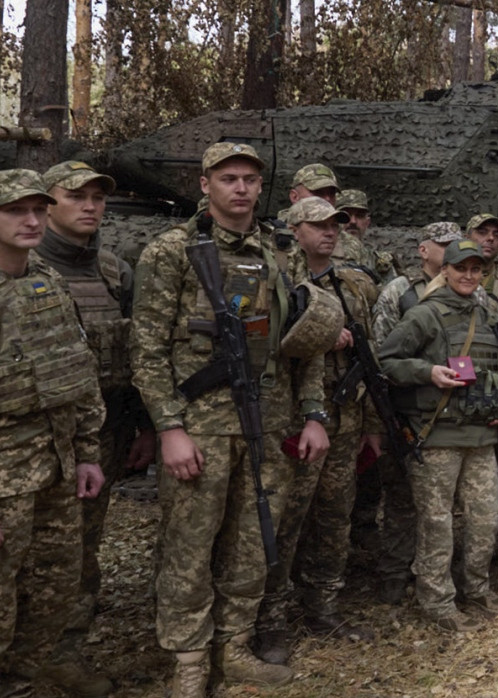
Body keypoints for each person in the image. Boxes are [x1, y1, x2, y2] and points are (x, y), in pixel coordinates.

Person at [131, 142, 328, 696]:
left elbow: (303, 344)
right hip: (200, 426)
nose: (240, 188)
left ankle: (235, 648)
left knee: (253, 541)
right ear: (205, 185)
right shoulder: (171, 251)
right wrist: (170, 428)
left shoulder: (278, 252)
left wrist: (313, 415)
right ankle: (190, 663)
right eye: (228, 178)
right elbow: (146, 350)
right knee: (189, 546)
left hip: (269, 422)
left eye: (249, 179)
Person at [0, 169, 106, 698]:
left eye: (39, 209)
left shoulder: (47, 282)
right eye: (14, 210)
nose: (31, 220)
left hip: (55, 478)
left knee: (49, 603)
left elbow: (78, 374)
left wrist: (87, 453)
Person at [31, 161, 155, 696]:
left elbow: (139, 354)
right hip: (36, 439)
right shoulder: (24, 267)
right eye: (74, 195)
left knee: (82, 547)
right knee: (30, 552)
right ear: (49, 204)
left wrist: (145, 428)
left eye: (98, 197)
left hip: (103, 433)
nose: (89, 205)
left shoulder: (114, 272)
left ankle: (63, 652)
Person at [378, 239, 498, 631]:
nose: (468, 276)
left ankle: (476, 589)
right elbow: (387, 361)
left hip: (481, 437)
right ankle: (438, 602)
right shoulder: (425, 315)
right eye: (461, 268)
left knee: (484, 521)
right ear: (446, 270)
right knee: (437, 524)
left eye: (476, 269)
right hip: (437, 436)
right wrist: (427, 372)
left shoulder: (489, 313)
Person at [255, 197, 376, 664]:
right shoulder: (281, 278)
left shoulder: (353, 282)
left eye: (334, 225)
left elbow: (370, 358)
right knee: (286, 523)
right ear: (294, 228)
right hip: (295, 420)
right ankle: (271, 620)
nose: (329, 232)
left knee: (334, 517)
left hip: (346, 418)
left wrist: (372, 427)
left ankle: (323, 605)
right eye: (318, 225)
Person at [360, 221, 462, 605]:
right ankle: (394, 571)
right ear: (424, 250)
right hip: (404, 409)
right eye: (443, 243)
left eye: (457, 243)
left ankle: (435, 574)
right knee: (401, 497)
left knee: (441, 504)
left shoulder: (470, 292)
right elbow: (381, 353)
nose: (451, 248)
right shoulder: (399, 292)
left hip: (449, 414)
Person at [335, 188, 402, 283]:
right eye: (347, 215)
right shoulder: (320, 257)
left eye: (359, 216)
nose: (353, 221)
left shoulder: (380, 263)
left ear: (367, 222)